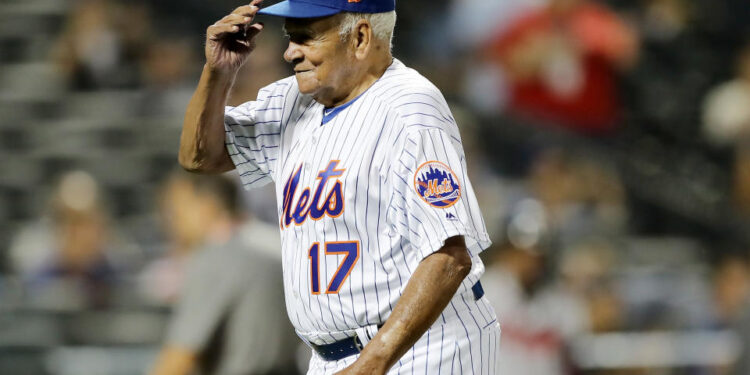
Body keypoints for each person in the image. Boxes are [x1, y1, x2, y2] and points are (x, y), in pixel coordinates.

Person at [178, 0, 498, 374]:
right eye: (290, 37)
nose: (289, 52)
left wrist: (372, 363)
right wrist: (217, 73)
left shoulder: (410, 109)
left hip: (425, 347)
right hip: (332, 355)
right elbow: (199, 157)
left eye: (306, 37)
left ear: (361, 38)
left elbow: (449, 257)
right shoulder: (292, 100)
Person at [149, 172, 294, 375]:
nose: (172, 223)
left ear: (207, 206)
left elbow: (179, 358)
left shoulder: (216, 256)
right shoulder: (279, 243)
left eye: (176, 211)